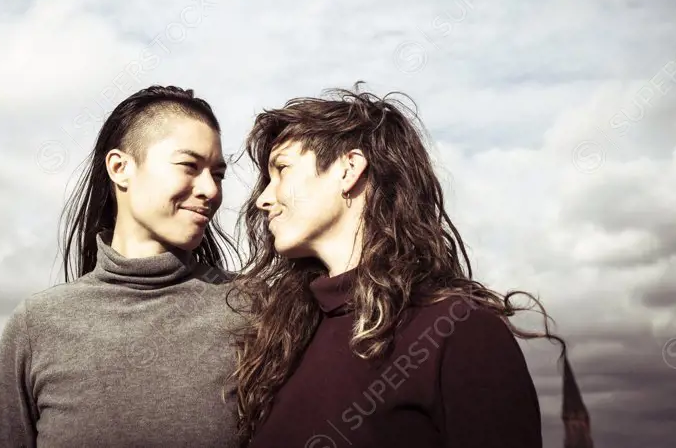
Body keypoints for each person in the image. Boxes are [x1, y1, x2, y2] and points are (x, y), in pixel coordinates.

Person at [227, 84, 567, 448]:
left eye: (282, 170)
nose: (264, 198)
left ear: (349, 169)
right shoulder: (283, 341)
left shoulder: (458, 330)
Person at [0, 85, 242, 448]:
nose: (210, 190)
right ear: (120, 168)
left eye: (218, 174)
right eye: (189, 166)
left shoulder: (253, 310)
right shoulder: (37, 324)